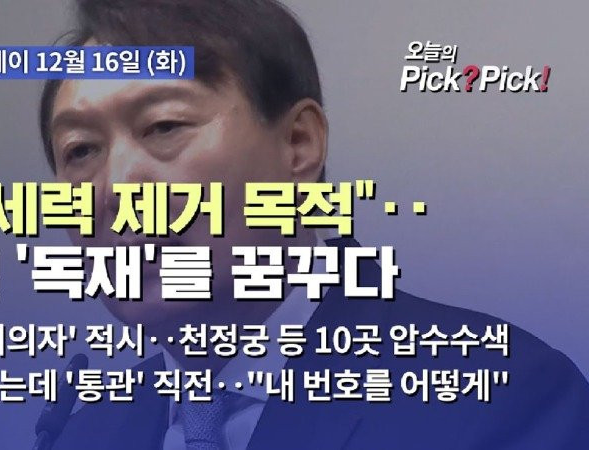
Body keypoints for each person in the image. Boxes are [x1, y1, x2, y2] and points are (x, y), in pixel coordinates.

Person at [36, 1, 589, 448]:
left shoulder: (497, 398)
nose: (117, 187)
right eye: (80, 150)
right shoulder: (83, 434)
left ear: (299, 143)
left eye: (163, 126)